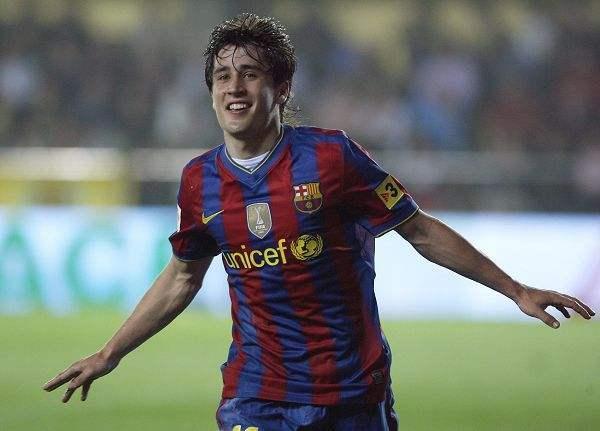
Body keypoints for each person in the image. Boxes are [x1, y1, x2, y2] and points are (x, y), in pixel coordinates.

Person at [43, 13, 595, 431]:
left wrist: (515, 289)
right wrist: (110, 353)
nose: (234, 88)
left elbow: (419, 229)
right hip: (256, 394)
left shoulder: (332, 158)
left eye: (250, 75)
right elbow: (183, 276)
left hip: (352, 393)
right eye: (222, 76)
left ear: (281, 88)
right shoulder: (198, 181)